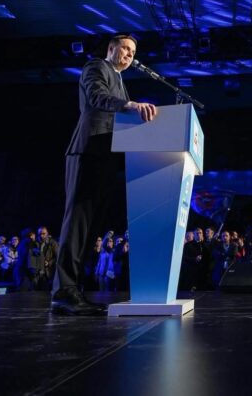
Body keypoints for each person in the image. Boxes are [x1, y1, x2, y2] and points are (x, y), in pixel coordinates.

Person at [52, 34, 157, 316]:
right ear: (111, 48)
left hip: (107, 155)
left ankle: (74, 292)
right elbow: (97, 97)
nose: (130, 55)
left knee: (90, 226)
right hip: (88, 150)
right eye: (126, 48)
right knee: (78, 222)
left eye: (133, 51)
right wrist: (130, 105)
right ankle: (63, 291)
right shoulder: (96, 66)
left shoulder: (120, 80)